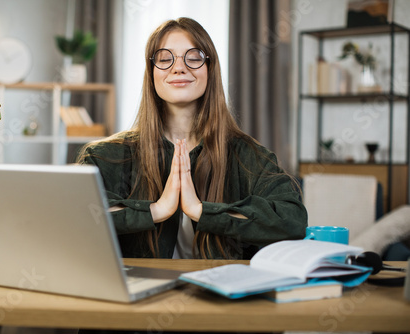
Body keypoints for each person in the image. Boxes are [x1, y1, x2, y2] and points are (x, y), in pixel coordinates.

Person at [77, 17, 307, 261]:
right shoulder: (103, 155)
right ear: (151, 72)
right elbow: (74, 214)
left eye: (194, 58)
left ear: (210, 69)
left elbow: (292, 220)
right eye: (165, 59)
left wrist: (201, 211)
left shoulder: (249, 156)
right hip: (138, 295)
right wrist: (155, 210)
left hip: (220, 294)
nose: (179, 68)